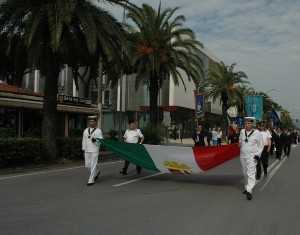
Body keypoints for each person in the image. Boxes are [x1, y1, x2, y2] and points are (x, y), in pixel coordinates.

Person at [239, 117, 264, 200]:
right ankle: (246, 187)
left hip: (252, 157)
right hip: (243, 156)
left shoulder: (257, 133)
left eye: (248, 123)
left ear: (252, 123)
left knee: (251, 173)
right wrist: (239, 143)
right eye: (245, 123)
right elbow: (240, 140)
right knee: (245, 173)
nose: (247, 125)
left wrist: (257, 156)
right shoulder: (242, 132)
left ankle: (249, 191)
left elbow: (261, 146)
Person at [82, 116, 103, 186]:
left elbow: (101, 141)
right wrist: (84, 149)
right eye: (90, 121)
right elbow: (84, 140)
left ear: (95, 122)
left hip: (94, 150)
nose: (91, 123)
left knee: (93, 165)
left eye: (93, 121)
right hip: (87, 150)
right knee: (87, 165)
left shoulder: (98, 131)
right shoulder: (85, 130)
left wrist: (96, 141)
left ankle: (91, 180)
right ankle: (97, 172)